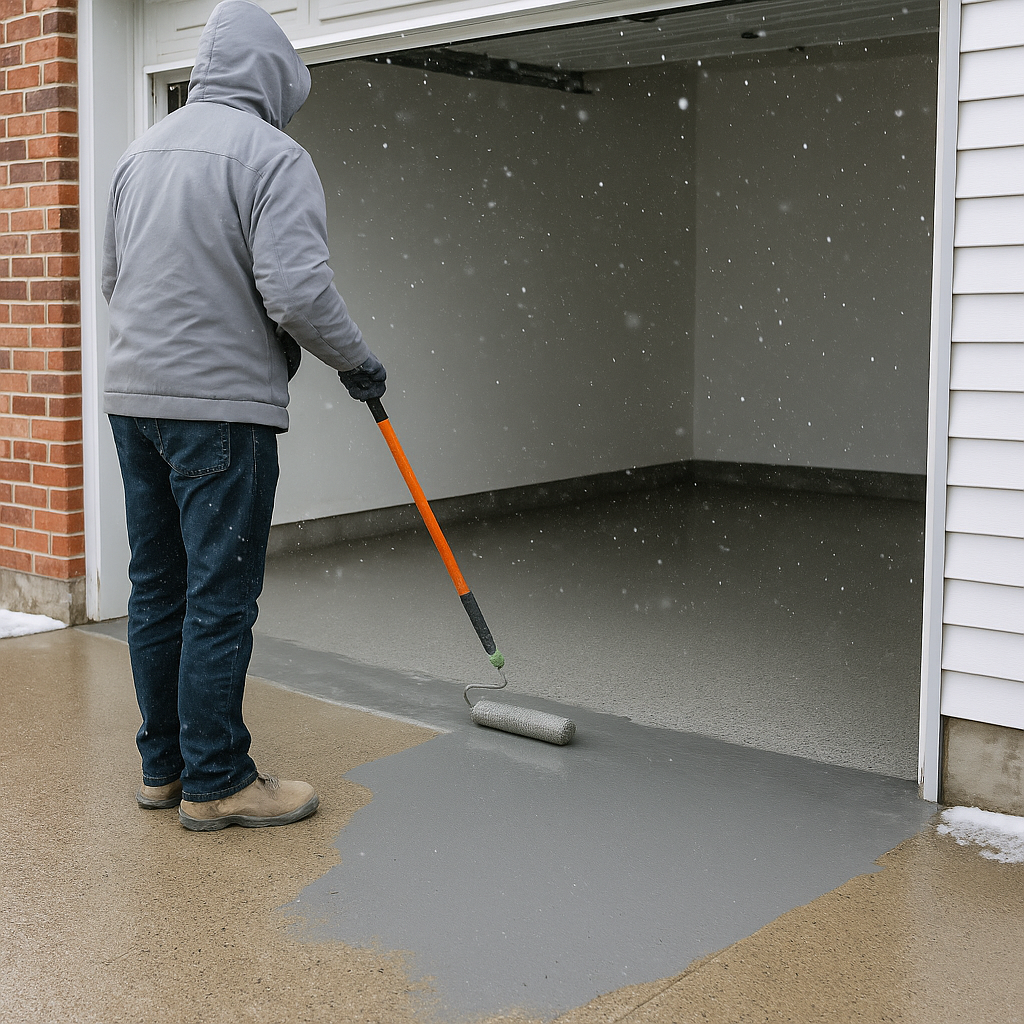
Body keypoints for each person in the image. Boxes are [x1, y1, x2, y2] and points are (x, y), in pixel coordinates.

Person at [102, 0, 386, 831]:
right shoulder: (274, 156)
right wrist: (357, 362)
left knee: (157, 588)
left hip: (134, 404)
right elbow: (296, 292)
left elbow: (115, 280)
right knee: (220, 596)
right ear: (272, 80)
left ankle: (164, 770)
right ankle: (218, 780)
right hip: (219, 414)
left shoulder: (139, 153)